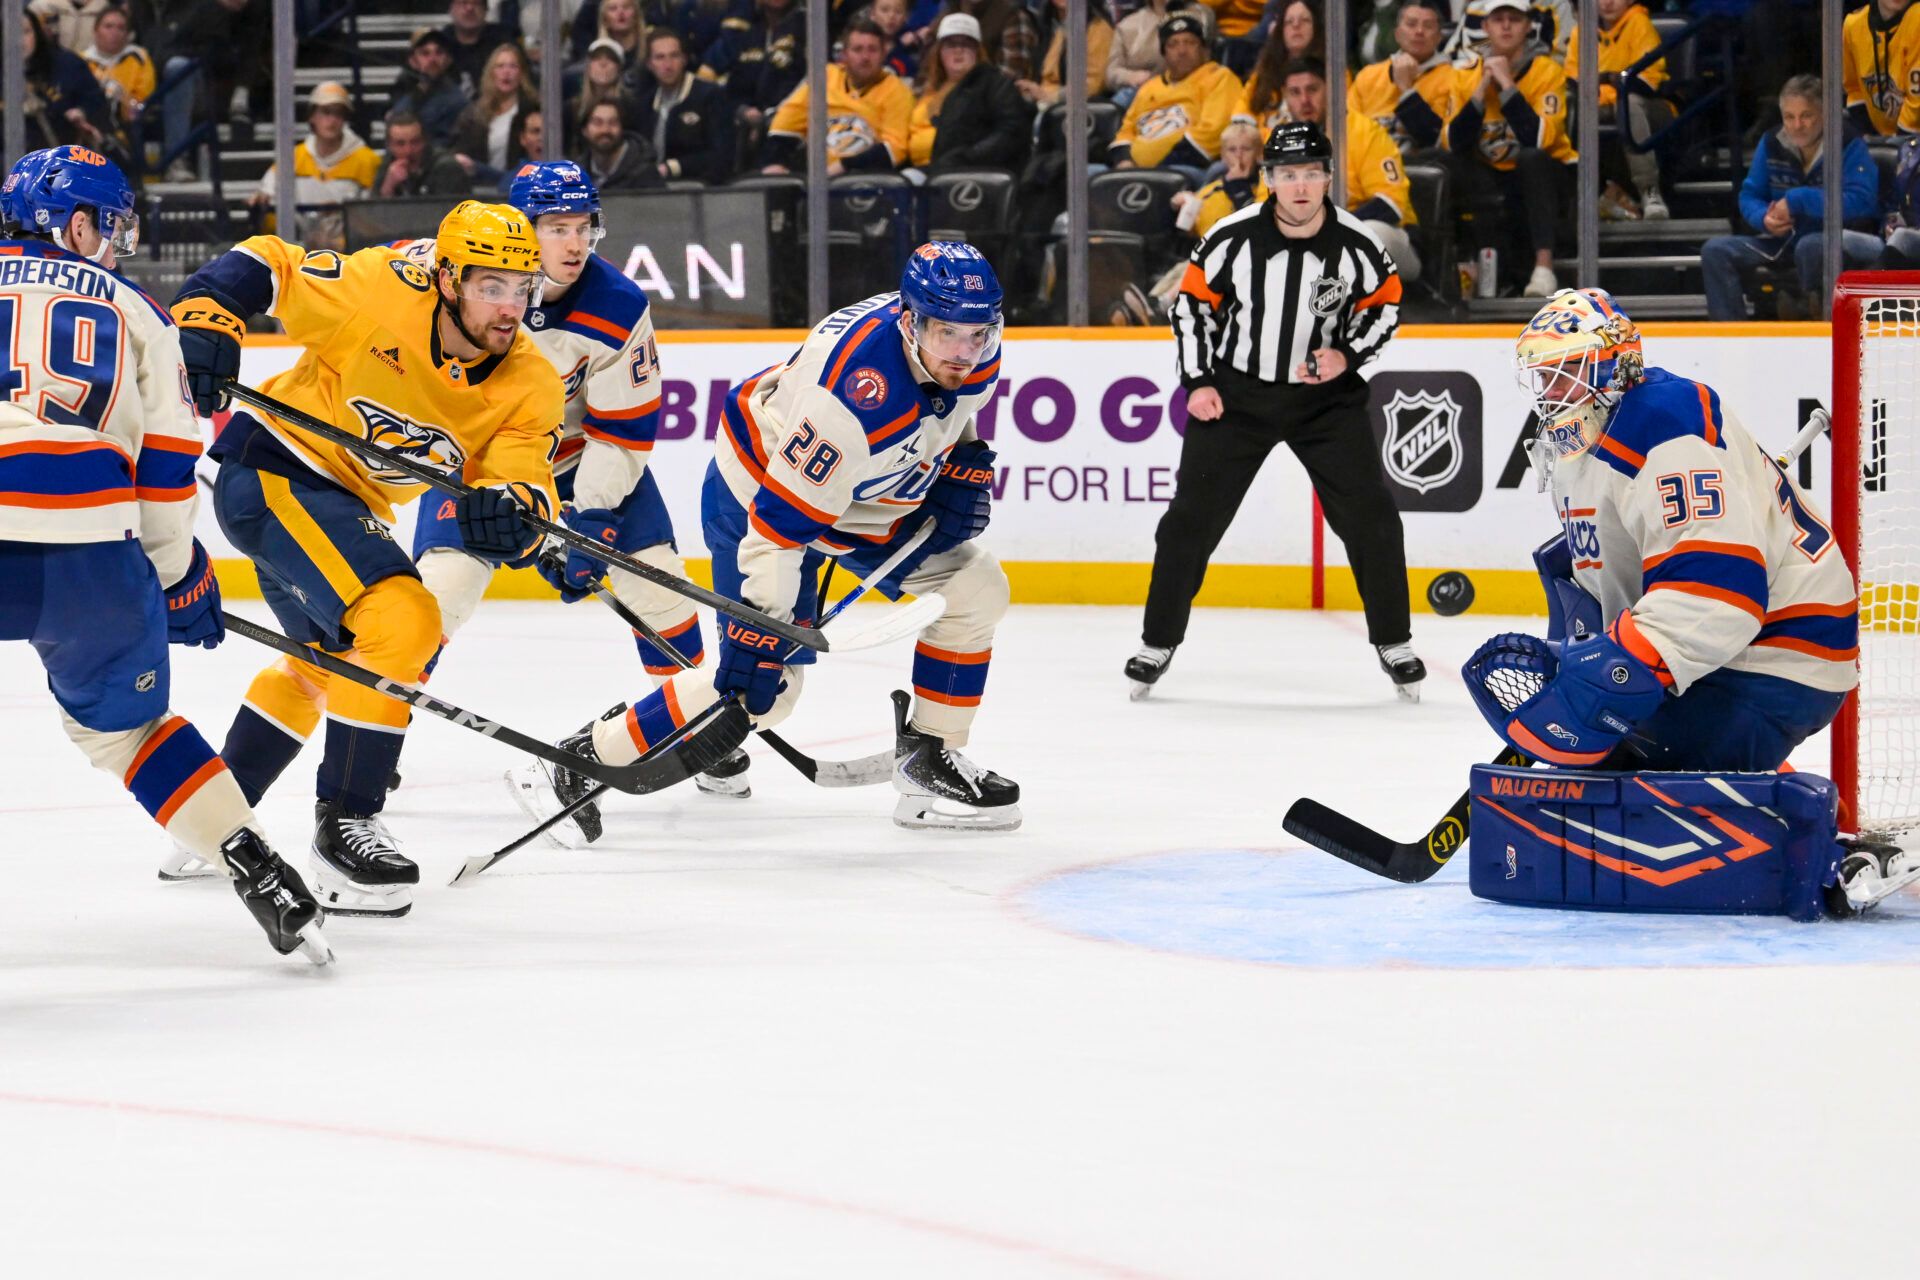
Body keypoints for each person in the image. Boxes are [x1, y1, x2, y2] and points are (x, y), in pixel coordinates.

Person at [521, 241, 1023, 833]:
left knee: (976, 589)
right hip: (758, 495)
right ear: (910, 322)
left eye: (978, 334)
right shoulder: (849, 402)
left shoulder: (963, 345)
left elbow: (953, 408)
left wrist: (965, 459)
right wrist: (760, 630)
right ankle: (580, 759)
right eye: (948, 334)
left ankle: (928, 757)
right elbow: (777, 532)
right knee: (765, 685)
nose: (963, 354)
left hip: (859, 499)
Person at [166, 203, 564, 918]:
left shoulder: (529, 380)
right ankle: (345, 825)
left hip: (348, 505)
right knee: (404, 619)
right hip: (275, 467)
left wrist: (514, 513)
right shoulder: (381, 288)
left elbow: (522, 478)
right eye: (491, 287)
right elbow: (270, 263)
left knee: (327, 661)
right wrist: (212, 309)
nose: (510, 308)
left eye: (521, 288)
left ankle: (214, 817)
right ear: (447, 278)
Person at [1471, 285, 1907, 912]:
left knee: (1617, 750)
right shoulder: (1581, 442)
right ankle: (1746, 787)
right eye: (1543, 379)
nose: (1553, 395)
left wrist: (1613, 673)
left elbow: (1718, 595)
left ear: (1616, 365)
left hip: (1777, 659)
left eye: (1567, 374)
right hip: (1724, 659)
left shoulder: (1666, 422)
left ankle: (1815, 837)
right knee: (1598, 755)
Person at [0, 146, 329, 964]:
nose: (115, 244)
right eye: (107, 227)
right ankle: (256, 863)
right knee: (133, 733)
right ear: (72, 225)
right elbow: (168, 465)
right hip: (90, 549)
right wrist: (179, 578)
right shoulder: (138, 309)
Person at [449, 163, 746, 838]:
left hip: (585, 464)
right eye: (557, 228)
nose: (574, 243)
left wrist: (587, 518)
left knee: (663, 594)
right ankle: (380, 734)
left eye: (583, 227)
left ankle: (694, 728)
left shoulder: (614, 302)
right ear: (523, 231)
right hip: (483, 470)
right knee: (433, 599)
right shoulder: (469, 287)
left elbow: (624, 425)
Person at [1136, 122, 1421, 700]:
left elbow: (1386, 305)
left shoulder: (1359, 242)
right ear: (1268, 179)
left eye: (1311, 173)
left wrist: (1348, 355)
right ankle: (1156, 642)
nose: (1300, 186)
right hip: (1238, 397)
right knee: (1190, 521)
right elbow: (1191, 308)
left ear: (1327, 178)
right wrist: (1197, 381)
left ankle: (1395, 641)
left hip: (1327, 404)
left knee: (1373, 519)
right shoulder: (1229, 237)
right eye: (1288, 174)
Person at [1698, 75, 1881, 322]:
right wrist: (1764, 217)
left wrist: (1797, 201)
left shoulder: (1848, 142)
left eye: (1806, 116)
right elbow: (1750, 195)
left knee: (1812, 247)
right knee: (1715, 251)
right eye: (1789, 117)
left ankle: (1814, 320)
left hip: (1843, 239)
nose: (1797, 125)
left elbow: (1862, 202)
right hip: (1785, 241)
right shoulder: (1772, 142)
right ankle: (1730, 337)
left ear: (1825, 113)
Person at [1442, 0, 1576, 299]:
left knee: (1532, 158)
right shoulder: (1464, 75)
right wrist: (1481, 88)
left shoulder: (1547, 71)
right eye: (1498, 19)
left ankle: (1544, 267)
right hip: (1491, 171)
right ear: (1485, 27)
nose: (1505, 26)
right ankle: (1458, 271)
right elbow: (1452, 142)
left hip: (1547, 173)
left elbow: (1539, 139)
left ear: (1528, 26)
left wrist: (1505, 84)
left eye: (1513, 19)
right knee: (1441, 164)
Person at [1276, 57, 1421, 282]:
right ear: (1285, 96)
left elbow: (1391, 205)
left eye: (1312, 89)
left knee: (1372, 234)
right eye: (1295, 92)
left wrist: (1327, 228)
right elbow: (1267, 204)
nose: (1304, 100)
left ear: (1330, 89)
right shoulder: (1283, 142)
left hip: (1386, 237)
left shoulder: (1366, 132)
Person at [1563, 0, 1671, 220]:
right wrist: (1612, 79)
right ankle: (1584, 197)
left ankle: (1649, 190)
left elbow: (1645, 81)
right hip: (1599, 103)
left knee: (1629, 102)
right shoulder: (1581, 32)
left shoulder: (1639, 23)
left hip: (1652, 107)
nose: (1607, 2)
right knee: (1567, 109)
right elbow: (1573, 80)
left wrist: (1604, 80)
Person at [760, 15, 911, 173]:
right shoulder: (825, 77)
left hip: (868, 181)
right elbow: (787, 122)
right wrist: (774, 161)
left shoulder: (897, 90)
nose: (865, 57)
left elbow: (895, 150)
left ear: (883, 53)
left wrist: (844, 166)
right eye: (857, 49)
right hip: (816, 179)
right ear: (844, 54)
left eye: (872, 50)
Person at [248, 82, 380, 251]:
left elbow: (374, 218)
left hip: (351, 253)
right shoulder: (292, 158)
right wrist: (260, 198)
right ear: (312, 116)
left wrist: (344, 214)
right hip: (298, 250)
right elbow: (266, 192)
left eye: (338, 114)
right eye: (326, 112)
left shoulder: (366, 160)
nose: (332, 120)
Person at [1107, 13, 1242, 176]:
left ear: (1204, 49)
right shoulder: (1149, 87)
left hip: (1189, 168)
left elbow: (1212, 134)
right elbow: (1126, 131)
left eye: (1190, 42)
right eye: (1173, 44)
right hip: (1137, 169)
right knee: (1089, 173)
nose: (1182, 51)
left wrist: (1158, 167)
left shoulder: (1219, 77)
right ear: (1163, 53)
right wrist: (1124, 161)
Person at [906, 12, 1030, 174]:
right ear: (939, 51)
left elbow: (1011, 132)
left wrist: (966, 157)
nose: (958, 51)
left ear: (977, 51)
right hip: (936, 170)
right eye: (951, 44)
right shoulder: (928, 88)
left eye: (966, 44)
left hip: (976, 174)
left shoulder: (996, 84)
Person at [630, 25, 734, 183]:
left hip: (699, 187)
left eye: (674, 56)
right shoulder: (645, 103)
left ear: (685, 59)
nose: (668, 65)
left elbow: (722, 156)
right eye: (660, 57)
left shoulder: (710, 95)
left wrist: (674, 167)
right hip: (654, 189)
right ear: (649, 64)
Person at [1349, 0, 1451, 157]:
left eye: (1428, 26)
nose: (1419, 31)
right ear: (1397, 34)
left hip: (1422, 171)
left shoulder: (1453, 78)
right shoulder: (1368, 76)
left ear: (1439, 37)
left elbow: (1436, 141)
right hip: (1368, 167)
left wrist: (1406, 90)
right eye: (1411, 24)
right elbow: (1345, 134)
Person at [452, 42, 542, 182]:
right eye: (500, 66)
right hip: (480, 189)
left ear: (522, 74)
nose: (506, 72)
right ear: (491, 73)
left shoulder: (533, 111)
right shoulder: (473, 114)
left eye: (513, 66)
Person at [1106, 0, 1213, 109]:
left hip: (1190, 87)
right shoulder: (1128, 26)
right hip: (1142, 92)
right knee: (1120, 101)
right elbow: (1112, 72)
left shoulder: (1200, 16)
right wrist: (1131, 77)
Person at [1841, 0, 1920, 136]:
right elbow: (1854, 89)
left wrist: (1899, 143)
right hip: (1879, 134)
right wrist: (1868, 138)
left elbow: (1917, 101)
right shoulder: (1852, 25)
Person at [1014, 0, 1111, 109]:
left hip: (1075, 112)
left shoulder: (1099, 28)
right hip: (1038, 102)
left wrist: (1050, 95)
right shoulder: (1045, 25)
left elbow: (1093, 85)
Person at [81, 7, 154, 138]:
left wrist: (122, 98)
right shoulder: (82, 60)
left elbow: (144, 99)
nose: (114, 32)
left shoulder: (139, 57)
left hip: (127, 128)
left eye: (121, 28)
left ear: (128, 34)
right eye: (108, 26)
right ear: (95, 31)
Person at [390, 29, 469, 148]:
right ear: (413, 61)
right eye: (425, 53)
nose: (432, 59)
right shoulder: (407, 95)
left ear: (448, 60)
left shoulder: (458, 101)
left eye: (439, 52)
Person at [930, 0, 1039, 81]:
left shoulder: (1012, 15)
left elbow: (1010, 78)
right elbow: (927, 74)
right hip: (942, 97)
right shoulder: (948, 14)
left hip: (988, 103)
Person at [375, 110, 473, 198]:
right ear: (389, 145)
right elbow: (371, 213)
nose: (408, 150)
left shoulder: (446, 168)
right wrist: (388, 187)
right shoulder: (388, 165)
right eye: (400, 144)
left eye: (415, 142)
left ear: (425, 141)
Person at [576, 98, 667, 187]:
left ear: (622, 129)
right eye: (597, 123)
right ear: (584, 130)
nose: (605, 130)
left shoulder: (645, 173)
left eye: (613, 123)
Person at [440, 0, 520, 98]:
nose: (470, 8)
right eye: (463, 3)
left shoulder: (504, 43)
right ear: (451, 9)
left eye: (477, 3)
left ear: (486, 10)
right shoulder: (439, 45)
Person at [569, 38, 635, 155]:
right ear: (588, 67)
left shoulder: (631, 105)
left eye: (610, 59)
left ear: (619, 68)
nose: (603, 64)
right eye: (596, 58)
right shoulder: (573, 107)